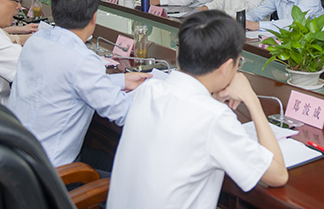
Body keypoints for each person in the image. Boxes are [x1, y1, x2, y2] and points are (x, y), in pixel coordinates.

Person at [107, 11, 288, 209]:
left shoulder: (149, 90)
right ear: (227, 66)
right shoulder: (214, 118)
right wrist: (252, 99)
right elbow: (277, 175)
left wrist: (212, 98)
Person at [8, 0, 151, 168]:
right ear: (94, 17)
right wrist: (159, 96)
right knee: (121, 167)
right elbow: (123, 112)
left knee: (104, 158)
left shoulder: (37, 40)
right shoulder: (82, 60)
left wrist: (121, 80)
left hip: (15, 156)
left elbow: (67, 81)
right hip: (49, 170)